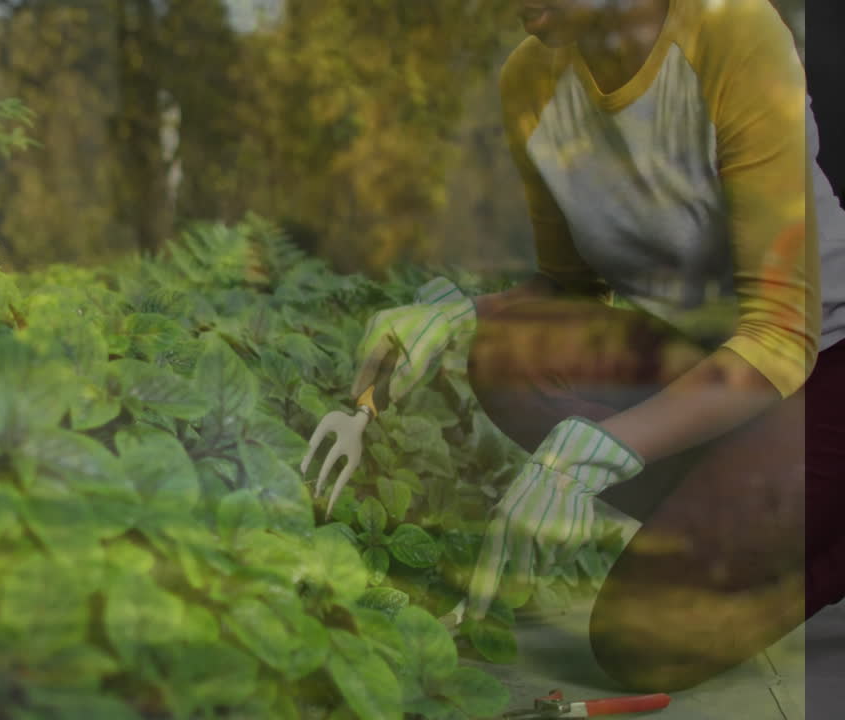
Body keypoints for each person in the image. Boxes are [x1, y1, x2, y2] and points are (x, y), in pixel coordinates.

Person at [302, 0, 845, 694]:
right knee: (509, 357)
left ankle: (795, 526)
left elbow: (779, 333)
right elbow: (570, 288)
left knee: (641, 639)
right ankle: (743, 515)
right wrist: (455, 315)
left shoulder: (732, 29)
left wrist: (595, 452)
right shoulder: (529, 79)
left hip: (822, 360)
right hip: (708, 369)